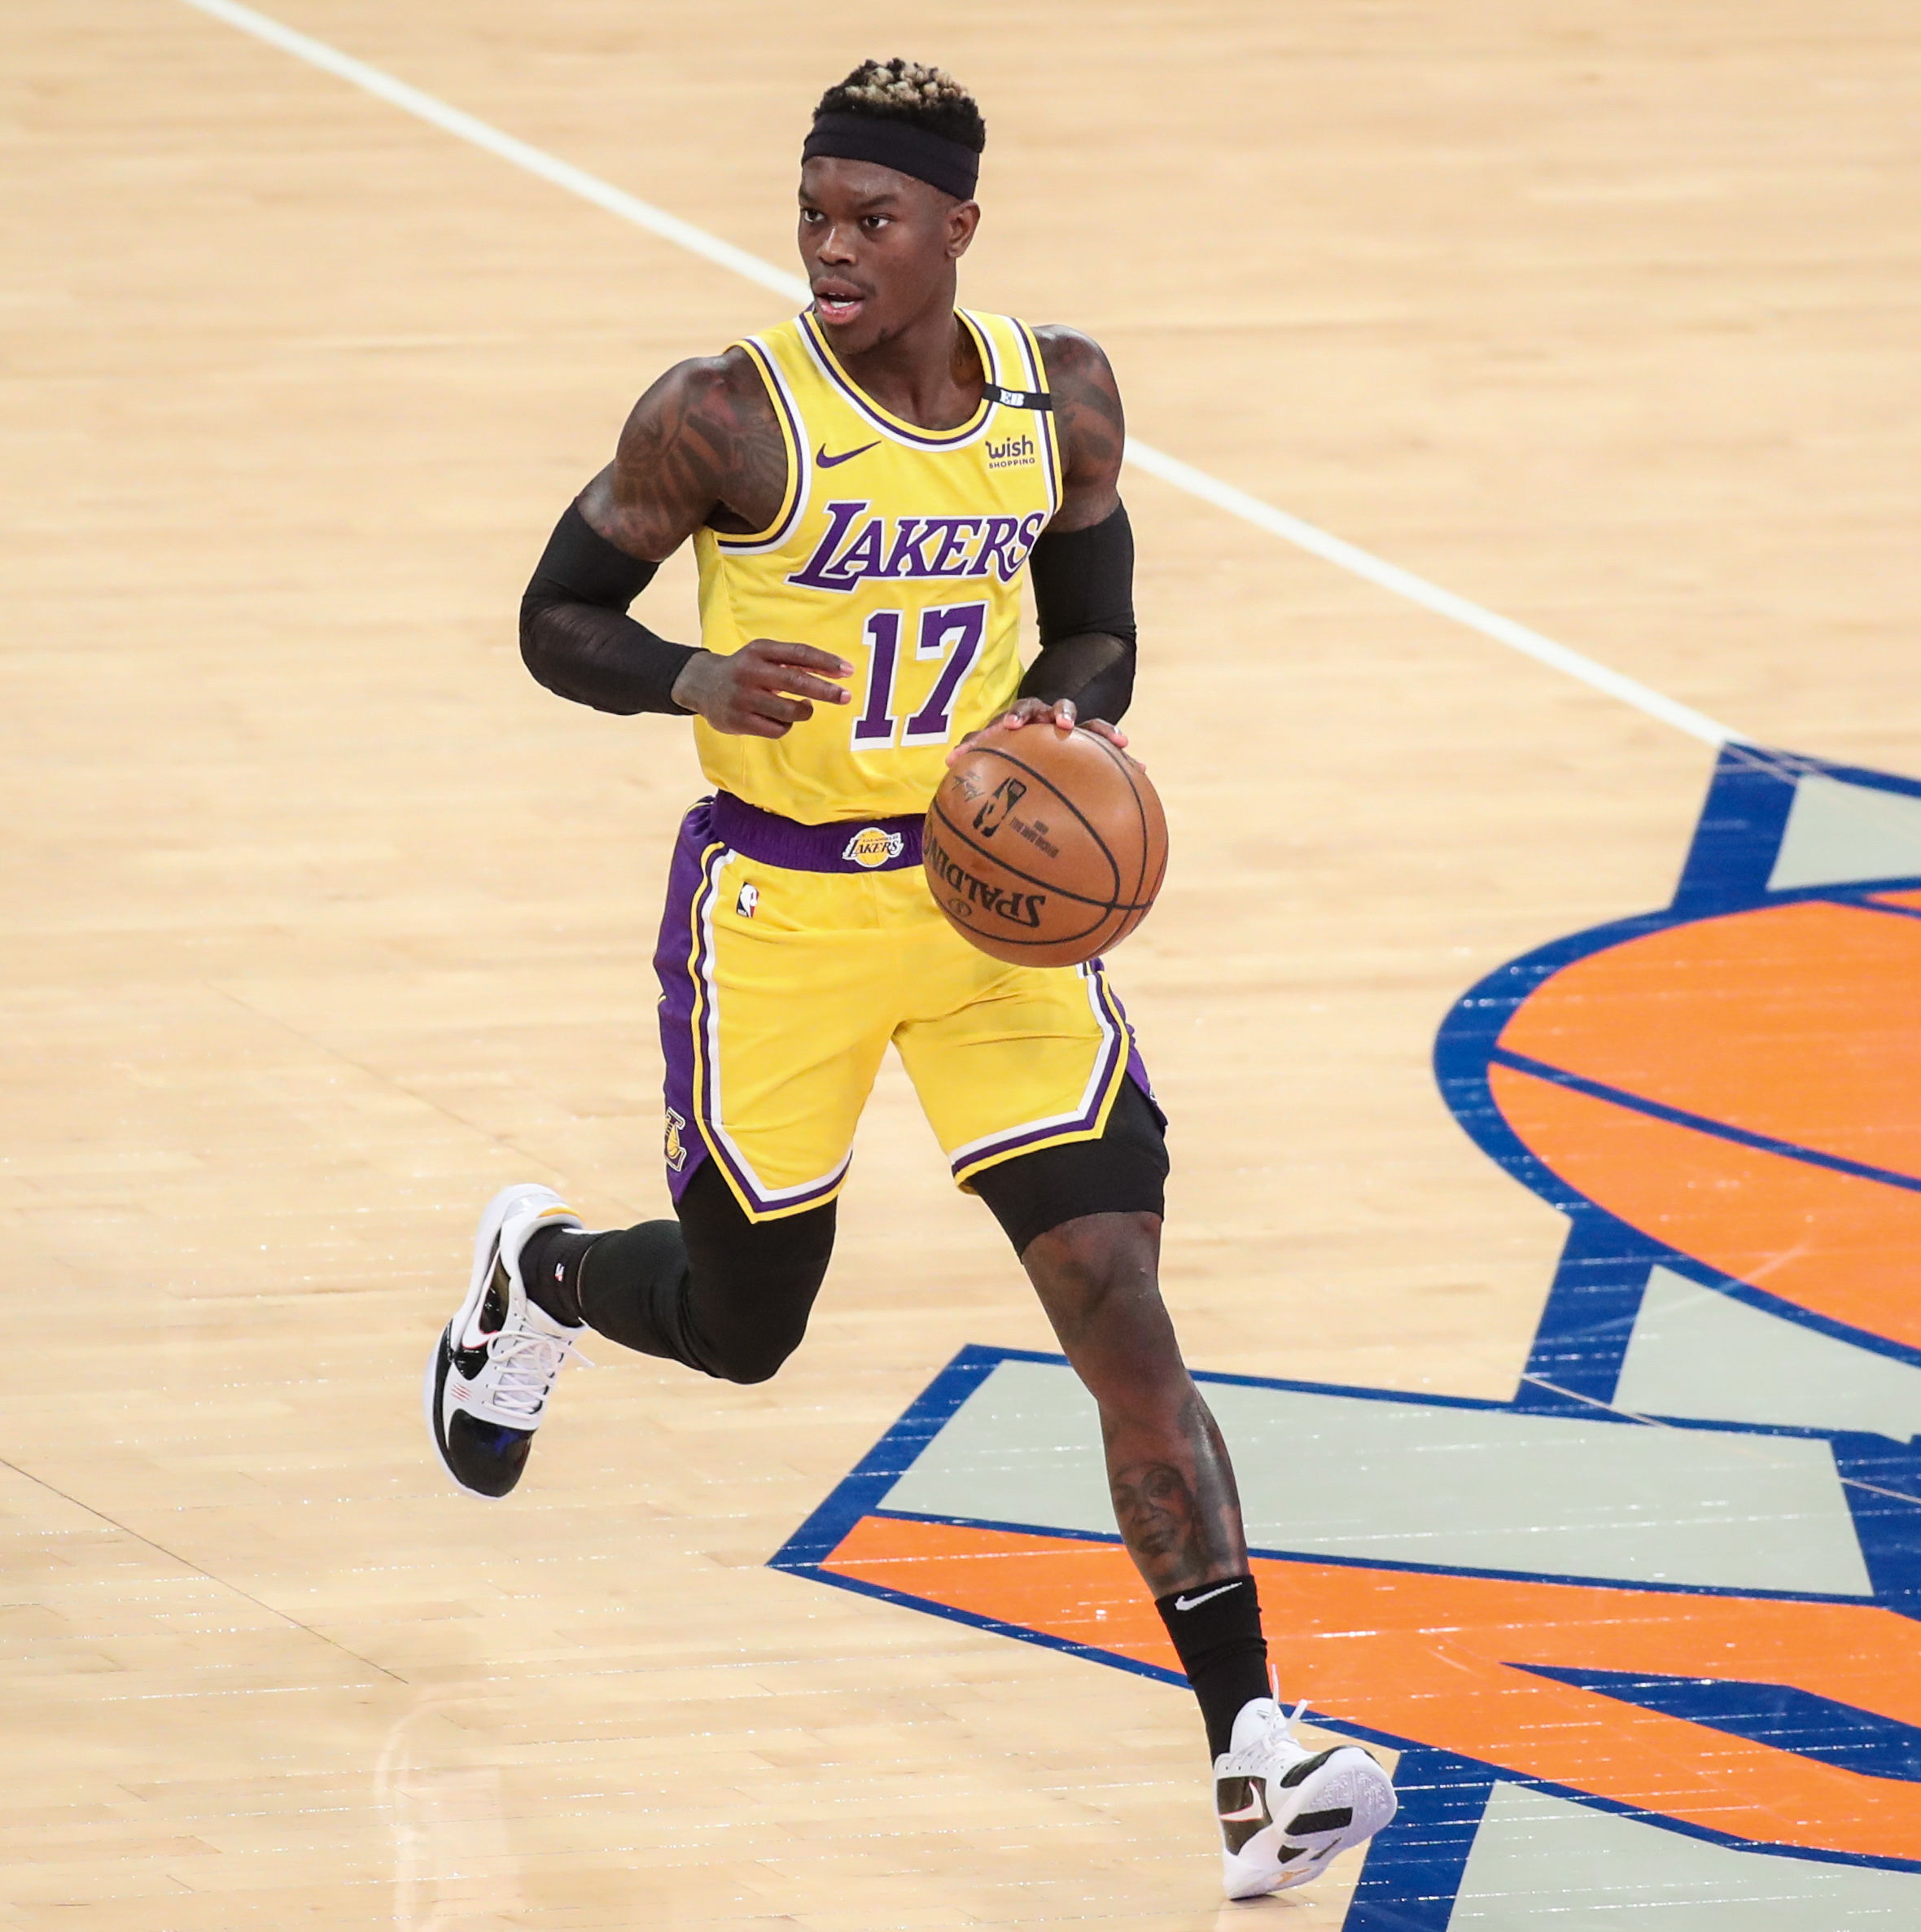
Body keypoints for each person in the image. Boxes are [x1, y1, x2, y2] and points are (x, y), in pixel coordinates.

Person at [422, 57, 1394, 1898]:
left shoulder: (1058, 395)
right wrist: (687, 681)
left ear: (959, 227)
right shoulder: (724, 415)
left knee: (1117, 1299)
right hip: (779, 917)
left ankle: (1254, 1744)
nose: (830, 250)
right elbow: (557, 617)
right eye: (812, 214)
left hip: (987, 915)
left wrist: (1071, 709)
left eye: (871, 220)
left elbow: (1098, 615)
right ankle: (535, 1271)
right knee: (744, 1323)